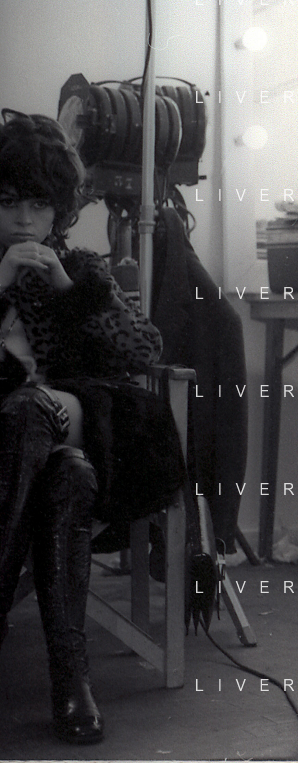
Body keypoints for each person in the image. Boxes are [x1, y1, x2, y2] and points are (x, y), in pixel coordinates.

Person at [0, 111, 185, 744]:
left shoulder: (78, 268)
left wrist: (68, 289)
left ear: (59, 211)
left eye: (38, 205)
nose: (23, 220)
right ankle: (71, 681)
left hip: (62, 420)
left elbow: (143, 349)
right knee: (70, 477)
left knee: (36, 411)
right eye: (7, 203)